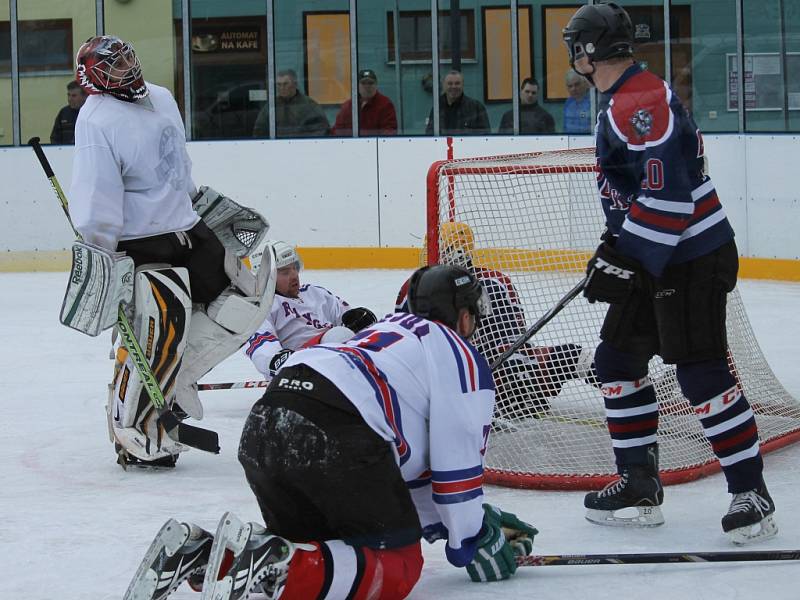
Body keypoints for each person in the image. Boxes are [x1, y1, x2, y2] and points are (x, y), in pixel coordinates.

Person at [124, 264, 538, 600]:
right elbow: (455, 471)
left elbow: (402, 480)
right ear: (465, 316)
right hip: (336, 432)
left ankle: (202, 554)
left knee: (327, 550)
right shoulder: (459, 354)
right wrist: (472, 538)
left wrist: (459, 524)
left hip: (267, 423)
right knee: (398, 564)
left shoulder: (382, 333)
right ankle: (273, 565)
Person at [562, 2, 777, 544]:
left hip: (693, 255)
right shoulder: (622, 98)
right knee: (616, 362)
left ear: (588, 51)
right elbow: (638, 195)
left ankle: (751, 494)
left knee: (700, 374)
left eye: (574, 45)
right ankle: (639, 483)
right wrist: (617, 247)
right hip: (657, 251)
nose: (570, 55)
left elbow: (669, 198)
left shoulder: (638, 100)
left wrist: (627, 255)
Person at [68, 35, 273, 469]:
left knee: (241, 299)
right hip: (141, 241)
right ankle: (135, 428)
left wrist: (199, 201)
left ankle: (175, 381)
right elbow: (95, 195)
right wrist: (103, 255)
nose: (126, 70)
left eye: (127, 60)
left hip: (187, 226)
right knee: (159, 329)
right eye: (113, 67)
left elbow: (177, 160)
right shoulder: (96, 118)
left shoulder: (160, 96)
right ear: (94, 77)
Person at [395, 221, 595, 419]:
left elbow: (511, 339)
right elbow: (406, 349)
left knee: (571, 356)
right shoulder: (412, 288)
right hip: (446, 380)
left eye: (437, 248)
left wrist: (517, 373)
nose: (429, 253)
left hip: (494, 371)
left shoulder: (494, 283)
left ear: (454, 253)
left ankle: (621, 390)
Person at [244, 241, 378, 378]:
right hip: (299, 369)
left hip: (332, 356)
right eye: (285, 272)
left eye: (295, 267)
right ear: (266, 277)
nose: (294, 275)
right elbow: (260, 341)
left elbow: (344, 316)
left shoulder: (314, 293)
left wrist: (358, 322)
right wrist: (277, 361)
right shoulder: (261, 306)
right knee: (338, 335)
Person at [252, 69, 330, 138]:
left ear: (295, 84)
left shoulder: (309, 105)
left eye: (285, 84)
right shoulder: (271, 105)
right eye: (279, 84)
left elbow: (322, 130)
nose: (282, 88)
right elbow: (259, 130)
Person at [331, 68, 398, 136]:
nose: (367, 86)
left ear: (376, 85)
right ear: (357, 85)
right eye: (363, 83)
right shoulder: (348, 106)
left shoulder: (385, 105)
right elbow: (337, 131)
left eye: (370, 83)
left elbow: (389, 131)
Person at [425, 70, 490, 136]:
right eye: (450, 83)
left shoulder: (476, 108)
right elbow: (430, 133)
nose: (453, 86)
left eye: (457, 83)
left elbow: (485, 136)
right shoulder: (437, 107)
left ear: (463, 85)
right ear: (444, 85)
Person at [49, 80, 86, 144]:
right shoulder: (63, 113)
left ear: (84, 96)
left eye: (74, 96)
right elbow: (55, 137)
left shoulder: (90, 113)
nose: (70, 99)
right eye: (68, 95)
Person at [563, 69, 592, 133]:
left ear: (585, 83)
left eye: (577, 84)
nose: (573, 89)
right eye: (570, 86)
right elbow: (565, 129)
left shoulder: (593, 101)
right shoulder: (568, 104)